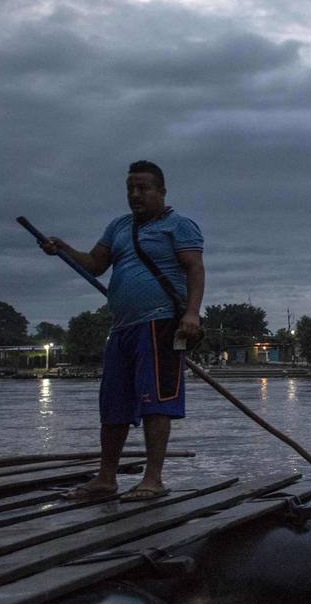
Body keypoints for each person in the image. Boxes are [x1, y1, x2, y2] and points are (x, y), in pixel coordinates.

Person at [39, 160, 204, 500]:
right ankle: (106, 478)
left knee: (156, 403)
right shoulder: (119, 227)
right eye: (130, 188)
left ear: (161, 191)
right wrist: (63, 249)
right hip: (123, 328)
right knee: (112, 404)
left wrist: (192, 314)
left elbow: (195, 269)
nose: (135, 194)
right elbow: (96, 265)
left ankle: (152, 479)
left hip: (161, 324)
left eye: (143, 188)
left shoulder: (179, 226)